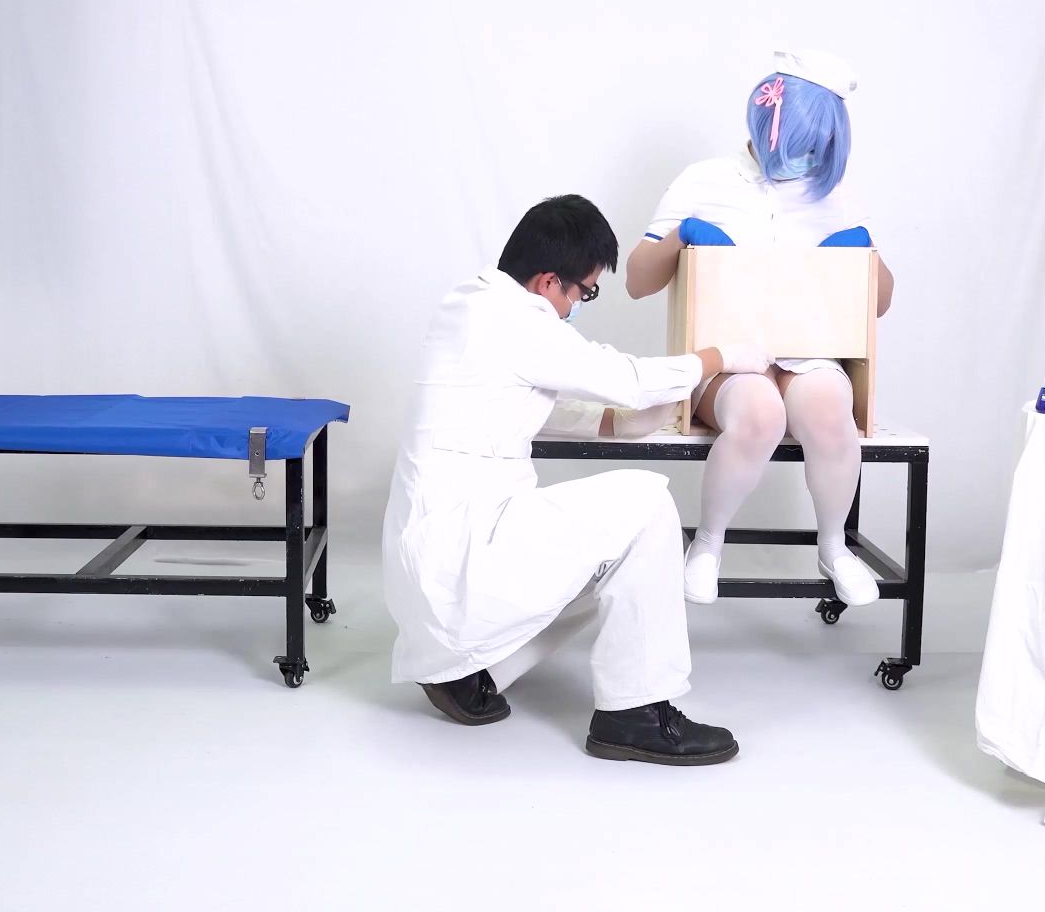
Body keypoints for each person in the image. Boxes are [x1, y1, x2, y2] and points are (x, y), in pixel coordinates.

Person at [383, 194, 771, 765]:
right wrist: (720, 357)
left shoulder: (469, 306)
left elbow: (520, 399)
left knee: (608, 556)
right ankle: (634, 712)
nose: (576, 308)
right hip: (460, 563)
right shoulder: (517, 318)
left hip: (431, 570)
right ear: (548, 282)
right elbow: (627, 377)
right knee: (648, 507)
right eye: (583, 293)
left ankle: (471, 673)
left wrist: (613, 421)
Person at [624, 49, 896, 608]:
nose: (805, 160)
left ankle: (833, 547)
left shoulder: (834, 192)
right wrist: (681, 237)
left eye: (816, 149)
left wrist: (865, 256)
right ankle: (708, 544)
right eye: (800, 145)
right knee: (759, 412)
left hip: (809, 353)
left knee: (830, 409)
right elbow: (636, 282)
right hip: (726, 359)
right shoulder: (704, 181)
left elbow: (880, 305)